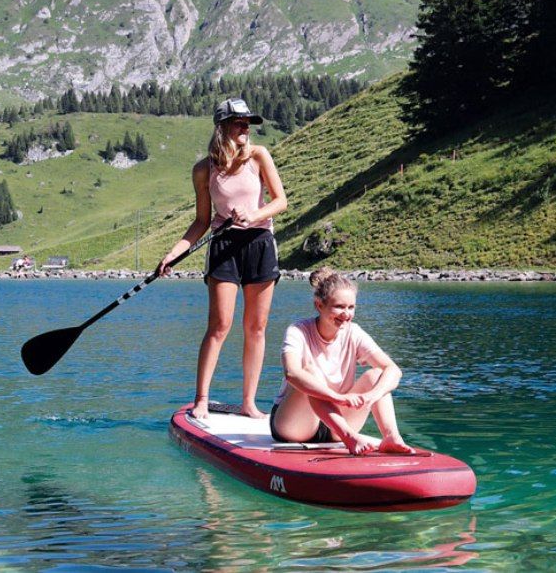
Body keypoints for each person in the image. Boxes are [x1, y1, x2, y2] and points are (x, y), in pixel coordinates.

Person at [157, 97, 287, 419]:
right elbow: (202, 221)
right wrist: (174, 253)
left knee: (256, 327)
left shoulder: (259, 156)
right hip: (223, 245)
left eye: (248, 123)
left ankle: (248, 403)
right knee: (219, 325)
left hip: (260, 243)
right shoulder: (203, 170)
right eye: (239, 122)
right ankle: (202, 399)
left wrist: (254, 214)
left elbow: (281, 201)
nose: (246, 128)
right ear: (222, 126)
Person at [270, 267, 413, 456]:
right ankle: (349, 438)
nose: (346, 314)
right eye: (339, 307)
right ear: (319, 305)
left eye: (351, 307)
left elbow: (394, 370)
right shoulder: (298, 331)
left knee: (378, 375)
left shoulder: (354, 332)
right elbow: (292, 373)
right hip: (294, 425)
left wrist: (373, 395)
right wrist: (336, 397)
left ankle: (391, 437)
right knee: (310, 373)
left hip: (335, 425)